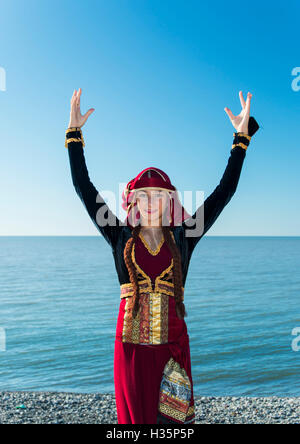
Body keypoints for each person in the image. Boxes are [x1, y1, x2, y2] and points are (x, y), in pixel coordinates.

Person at [65, 88, 259, 424]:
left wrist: (240, 139)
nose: (152, 199)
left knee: (175, 426)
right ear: (134, 202)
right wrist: (74, 134)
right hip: (131, 353)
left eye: (159, 193)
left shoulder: (185, 236)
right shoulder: (118, 235)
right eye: (144, 194)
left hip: (173, 351)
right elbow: (83, 187)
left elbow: (224, 191)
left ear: (170, 200)